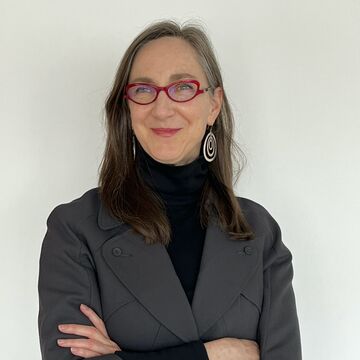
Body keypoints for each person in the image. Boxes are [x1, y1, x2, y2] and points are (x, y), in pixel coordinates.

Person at [37, 20, 302, 360]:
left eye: (183, 88)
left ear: (214, 105)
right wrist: (215, 354)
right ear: (126, 107)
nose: (162, 109)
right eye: (144, 90)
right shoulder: (75, 229)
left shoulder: (259, 231)